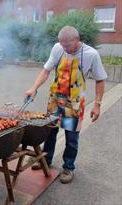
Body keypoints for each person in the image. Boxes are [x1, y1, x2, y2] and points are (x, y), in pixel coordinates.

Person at [25, 26, 107, 184]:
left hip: (74, 103)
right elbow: (46, 71)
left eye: (67, 45)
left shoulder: (91, 55)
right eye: (62, 45)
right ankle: (45, 161)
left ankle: (68, 167)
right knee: (49, 132)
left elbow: (100, 80)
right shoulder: (58, 48)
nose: (65, 49)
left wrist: (97, 104)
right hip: (55, 99)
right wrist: (33, 88)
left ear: (77, 40)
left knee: (71, 138)